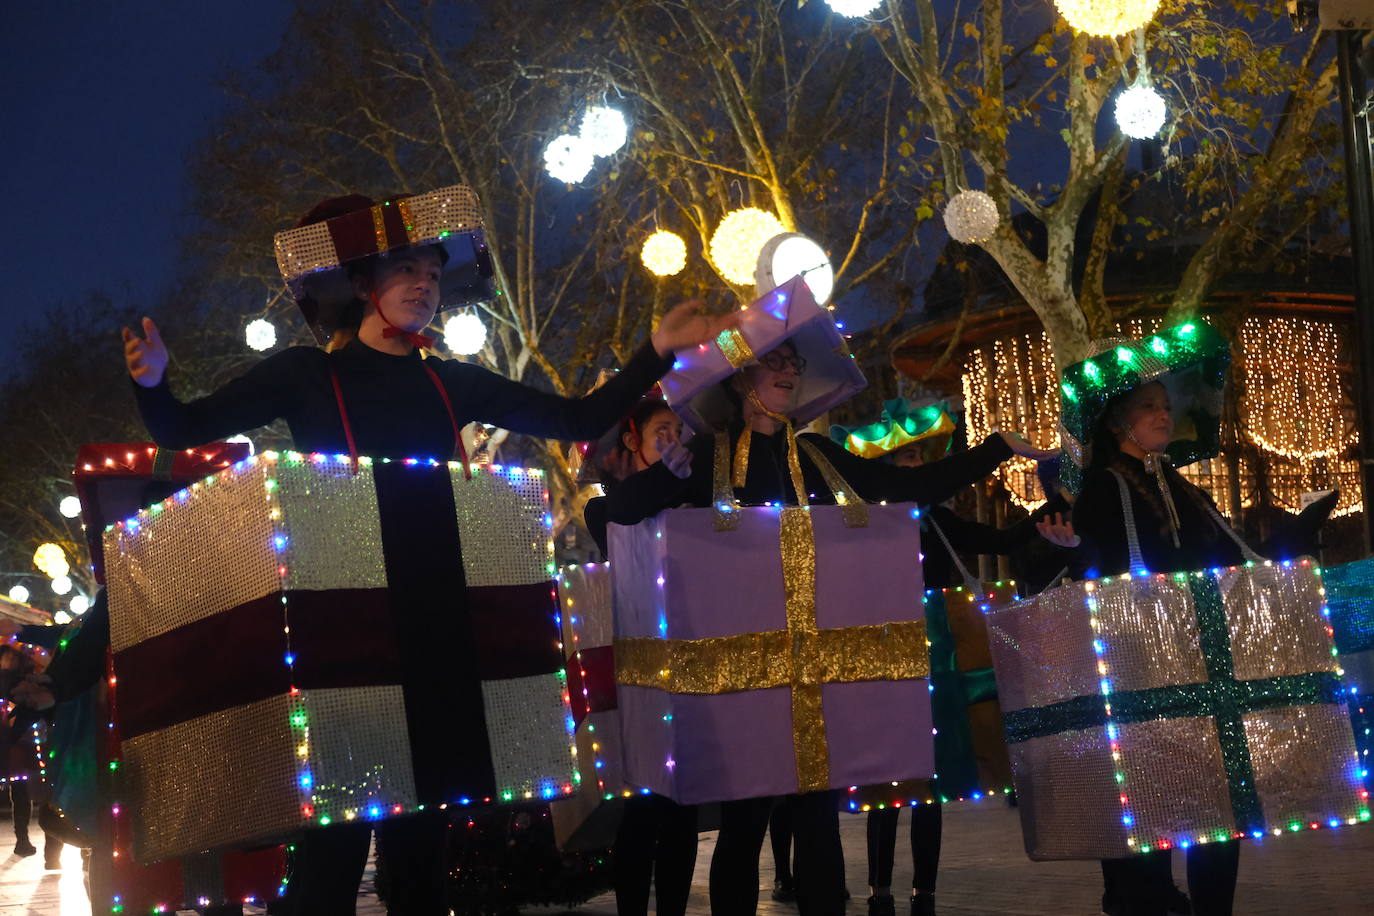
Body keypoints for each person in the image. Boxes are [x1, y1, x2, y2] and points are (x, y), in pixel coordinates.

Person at [120, 187, 737, 916]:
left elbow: (576, 417)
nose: (425, 285)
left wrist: (655, 354)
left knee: (421, 862)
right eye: (407, 269)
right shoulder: (303, 374)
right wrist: (154, 383)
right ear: (360, 286)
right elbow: (184, 429)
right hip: (340, 636)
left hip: (438, 630)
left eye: (435, 274)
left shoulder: (452, 380)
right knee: (331, 863)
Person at [606, 338, 1056, 916]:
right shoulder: (707, 456)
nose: (790, 369)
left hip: (817, 673)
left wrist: (995, 448)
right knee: (744, 821)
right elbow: (620, 515)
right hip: (743, 679)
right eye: (775, 360)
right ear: (741, 377)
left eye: (795, 360)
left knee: (816, 816)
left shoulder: (818, 454)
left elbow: (911, 490)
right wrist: (663, 478)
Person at [1042, 328, 1337, 916]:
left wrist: (1298, 532)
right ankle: (1140, 898)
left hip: (1202, 661)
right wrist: (1074, 549)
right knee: (1154, 799)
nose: (1165, 415)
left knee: (1219, 802)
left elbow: (1229, 557)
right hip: (1140, 667)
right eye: (1149, 407)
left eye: (1166, 405)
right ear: (1116, 420)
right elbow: (1096, 572)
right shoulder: (1103, 485)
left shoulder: (1174, 482)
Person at [830, 399, 1072, 916]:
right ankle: (878, 890)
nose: (915, 470)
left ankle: (925, 892)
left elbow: (1001, 540)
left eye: (920, 461)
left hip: (941, 659)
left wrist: (1049, 513)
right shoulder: (862, 525)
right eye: (905, 463)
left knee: (931, 782)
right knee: (888, 784)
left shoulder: (937, 520)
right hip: (887, 658)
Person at [583, 396, 698, 916]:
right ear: (632, 440)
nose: (675, 440)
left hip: (696, 665)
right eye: (662, 431)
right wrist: (671, 479)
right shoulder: (603, 507)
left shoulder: (693, 499)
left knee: (684, 808)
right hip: (642, 676)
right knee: (645, 807)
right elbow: (629, 513)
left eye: (680, 431)